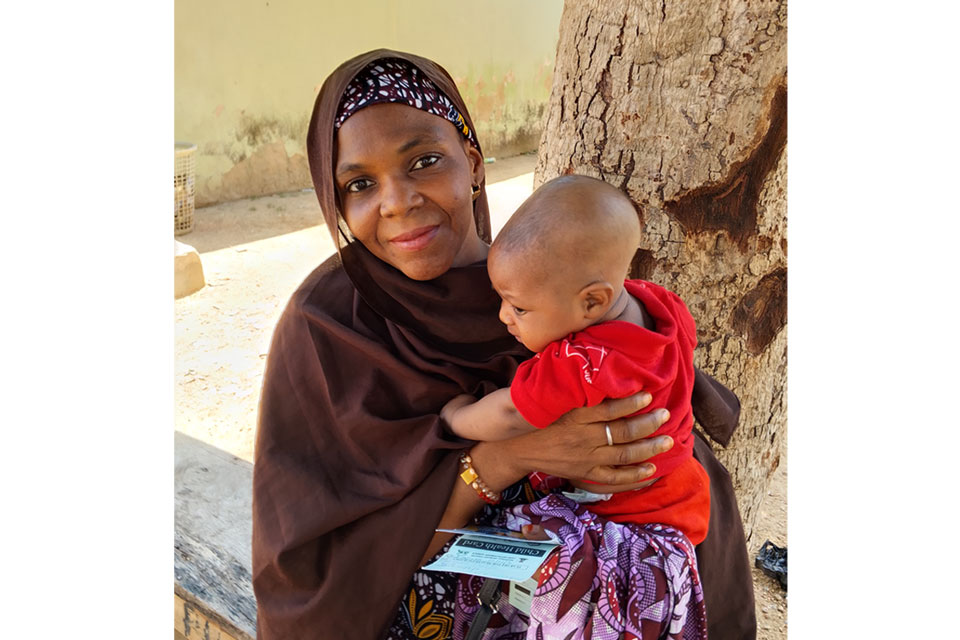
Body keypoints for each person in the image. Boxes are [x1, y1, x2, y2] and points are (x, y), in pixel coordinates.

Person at [251, 49, 756, 640]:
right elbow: (323, 562)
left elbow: (661, 443)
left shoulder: (552, 283)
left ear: (472, 162)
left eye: (424, 160)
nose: (396, 201)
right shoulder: (327, 328)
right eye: (359, 184)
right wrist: (509, 457)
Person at [441, 174, 711, 548]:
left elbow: (510, 415)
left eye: (518, 307)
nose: (504, 316)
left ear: (592, 303)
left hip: (622, 508)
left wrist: (455, 417)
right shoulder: (664, 305)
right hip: (683, 485)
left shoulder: (580, 362)